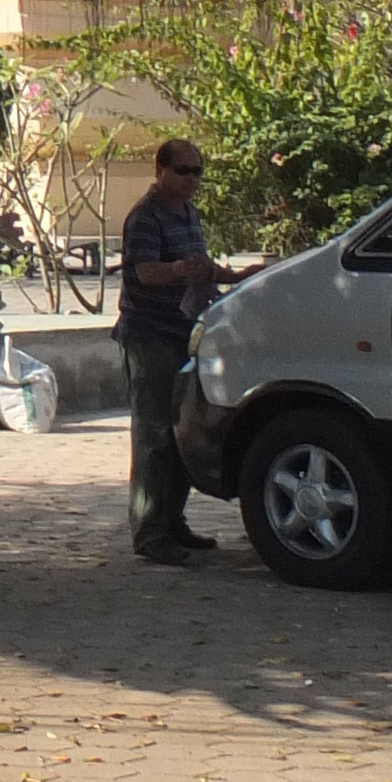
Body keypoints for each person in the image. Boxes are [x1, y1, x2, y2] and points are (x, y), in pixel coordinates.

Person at [116, 137, 229, 562]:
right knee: (154, 437)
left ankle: (172, 521)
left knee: (183, 435)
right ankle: (149, 531)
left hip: (184, 334)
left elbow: (198, 267)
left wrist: (230, 276)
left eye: (197, 172)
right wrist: (183, 268)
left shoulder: (189, 213)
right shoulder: (145, 217)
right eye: (183, 171)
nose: (191, 180)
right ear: (160, 170)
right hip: (149, 336)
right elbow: (145, 272)